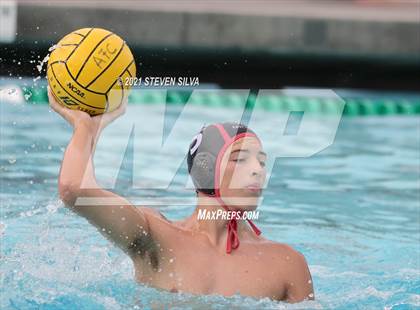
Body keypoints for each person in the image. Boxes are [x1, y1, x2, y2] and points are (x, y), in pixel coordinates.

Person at [48, 87, 314, 303]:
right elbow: (75, 190)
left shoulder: (286, 264)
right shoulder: (156, 237)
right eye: (241, 159)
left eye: (262, 162)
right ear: (206, 169)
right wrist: (86, 127)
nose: (257, 171)